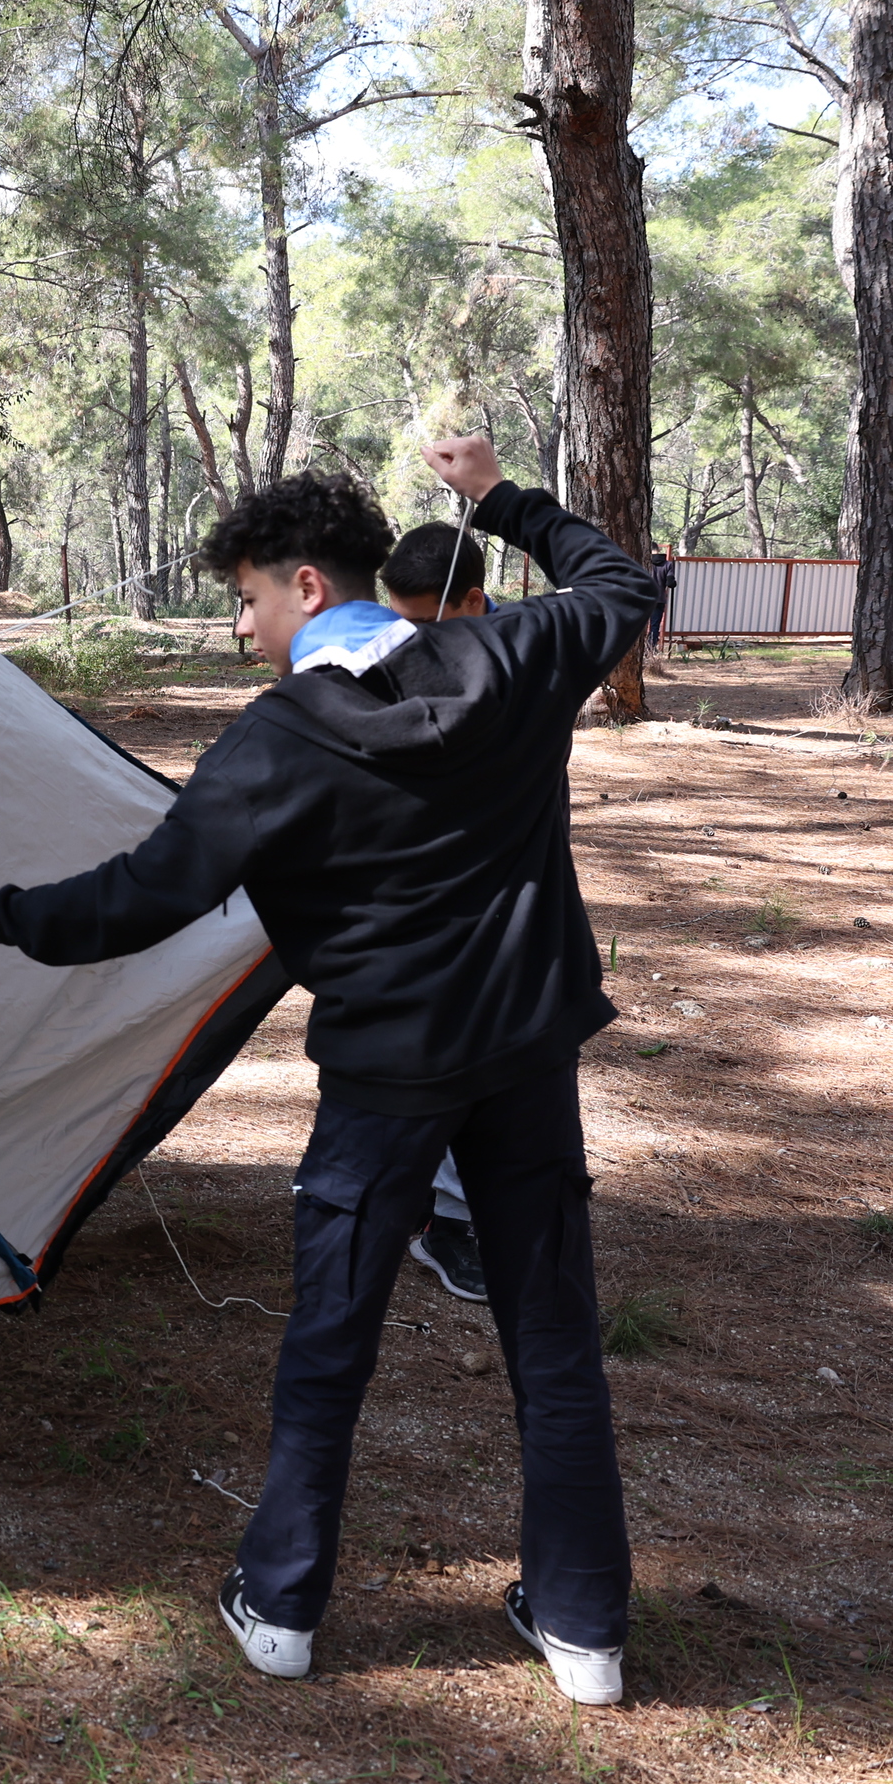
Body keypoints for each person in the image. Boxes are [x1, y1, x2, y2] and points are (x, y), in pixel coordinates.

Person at [0, 441, 652, 1707]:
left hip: (384, 1080)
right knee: (555, 1338)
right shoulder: (511, 655)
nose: (241, 629)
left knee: (330, 1339)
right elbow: (622, 583)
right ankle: (585, 1631)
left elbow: (148, 896)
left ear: (307, 584)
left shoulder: (280, 739)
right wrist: (496, 494)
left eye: (246, 599)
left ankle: (284, 1605)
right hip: (526, 1056)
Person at [375, 521, 496, 1302]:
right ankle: (400, 1196)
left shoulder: (521, 660)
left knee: (469, 1054)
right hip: (406, 894)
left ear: (474, 603)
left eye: (425, 623)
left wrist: (498, 500)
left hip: (484, 896)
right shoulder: (394, 656)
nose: (409, 641)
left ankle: (447, 1217)